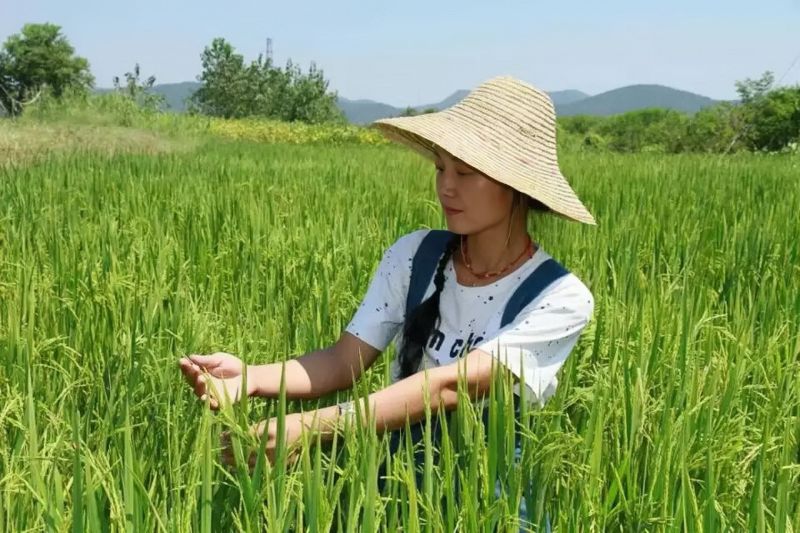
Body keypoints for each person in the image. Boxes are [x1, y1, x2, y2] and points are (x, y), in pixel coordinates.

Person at [178, 76, 596, 530]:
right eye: (440, 168)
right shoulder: (415, 255)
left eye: (466, 172)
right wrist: (252, 378)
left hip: (488, 505)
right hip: (393, 490)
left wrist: (311, 427)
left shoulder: (560, 297)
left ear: (516, 185)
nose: (446, 188)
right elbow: (343, 361)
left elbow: (448, 386)